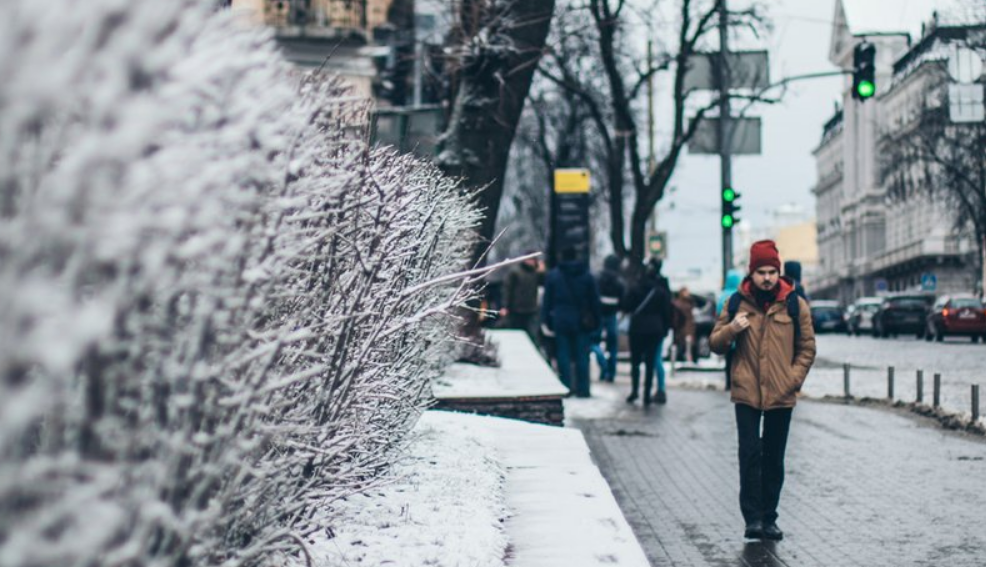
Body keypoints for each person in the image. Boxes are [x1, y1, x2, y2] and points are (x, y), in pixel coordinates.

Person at [710, 240, 816, 542]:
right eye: (761, 272)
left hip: (781, 394)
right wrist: (732, 329)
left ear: (778, 272)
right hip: (746, 392)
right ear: (751, 273)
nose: (767, 278)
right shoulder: (734, 303)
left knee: (773, 458)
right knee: (749, 454)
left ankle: (770, 518)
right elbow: (715, 344)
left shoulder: (795, 304)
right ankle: (752, 519)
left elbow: (807, 348)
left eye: (772, 271)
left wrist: (792, 379)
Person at [541, 247, 602, 398]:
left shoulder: (554, 276)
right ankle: (583, 389)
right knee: (582, 356)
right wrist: (597, 321)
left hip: (561, 320)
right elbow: (595, 301)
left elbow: (547, 301)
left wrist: (546, 320)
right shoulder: (587, 276)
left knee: (563, 355)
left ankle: (566, 387)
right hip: (582, 321)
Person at [622, 258, 673, 405]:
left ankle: (634, 391)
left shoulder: (635, 287)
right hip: (654, 329)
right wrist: (664, 329)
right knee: (650, 363)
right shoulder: (661, 290)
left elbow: (626, 306)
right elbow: (666, 312)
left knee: (635, 362)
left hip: (637, 328)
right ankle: (646, 395)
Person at [591, 254, 625, 382]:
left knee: (594, 342)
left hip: (598, 314)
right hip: (612, 315)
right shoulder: (619, 281)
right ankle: (611, 372)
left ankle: (603, 365)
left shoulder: (598, 278)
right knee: (613, 346)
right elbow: (623, 300)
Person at [501, 252, 545, 344]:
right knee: (516, 334)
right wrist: (505, 306)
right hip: (516, 309)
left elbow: (544, 282)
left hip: (531, 308)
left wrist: (542, 271)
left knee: (532, 335)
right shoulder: (515, 272)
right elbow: (507, 289)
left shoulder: (536, 273)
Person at [672, 287, 696, 363]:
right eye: (685, 292)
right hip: (682, 326)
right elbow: (676, 317)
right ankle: (679, 358)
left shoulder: (689, 302)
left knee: (689, 344)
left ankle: (689, 359)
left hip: (689, 326)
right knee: (680, 344)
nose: (687, 294)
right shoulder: (677, 303)